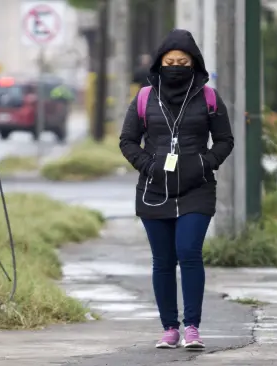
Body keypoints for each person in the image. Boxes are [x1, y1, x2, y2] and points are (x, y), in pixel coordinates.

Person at [119, 29, 234, 350]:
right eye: (170, 62)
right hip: (154, 189)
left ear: (194, 63)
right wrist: (149, 165)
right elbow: (128, 140)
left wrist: (204, 163)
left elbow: (225, 140)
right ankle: (169, 328)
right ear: (159, 63)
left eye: (183, 62)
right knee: (163, 260)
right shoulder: (144, 97)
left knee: (189, 252)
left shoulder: (209, 97)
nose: (176, 66)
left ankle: (193, 328)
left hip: (197, 189)